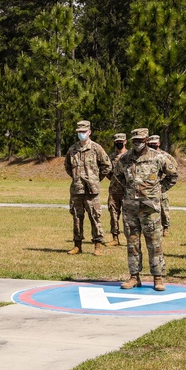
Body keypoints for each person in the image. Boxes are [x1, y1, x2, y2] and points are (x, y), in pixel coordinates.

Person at [112, 128, 178, 291]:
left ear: (147, 140)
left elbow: (173, 175)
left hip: (150, 208)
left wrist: (158, 190)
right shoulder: (124, 158)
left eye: (140, 140)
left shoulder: (158, 157)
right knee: (132, 243)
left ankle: (158, 277)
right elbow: (118, 176)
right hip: (131, 208)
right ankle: (134, 277)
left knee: (154, 242)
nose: (137, 143)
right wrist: (129, 189)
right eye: (134, 140)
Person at [63, 120, 112, 256]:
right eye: (79, 132)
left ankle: (98, 245)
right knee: (77, 218)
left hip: (92, 191)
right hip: (77, 190)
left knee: (95, 217)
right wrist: (75, 177)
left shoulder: (96, 148)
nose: (81, 134)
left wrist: (96, 179)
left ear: (89, 132)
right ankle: (77, 245)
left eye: (83, 132)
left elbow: (107, 166)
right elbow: (67, 166)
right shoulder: (72, 149)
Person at [146, 135, 175, 237]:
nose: (153, 145)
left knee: (164, 209)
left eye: (155, 143)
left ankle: (166, 227)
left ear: (159, 143)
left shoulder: (165, 156)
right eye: (151, 143)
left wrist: (163, 185)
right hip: (149, 188)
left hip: (161, 187)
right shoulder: (147, 155)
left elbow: (173, 171)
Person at [105, 133, 127, 247]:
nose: (119, 143)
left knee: (128, 216)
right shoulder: (111, 157)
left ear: (125, 142)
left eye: (121, 142)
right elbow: (108, 172)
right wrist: (114, 180)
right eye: (117, 142)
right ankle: (115, 238)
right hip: (114, 191)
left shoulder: (129, 155)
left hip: (127, 191)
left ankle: (130, 239)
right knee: (113, 214)